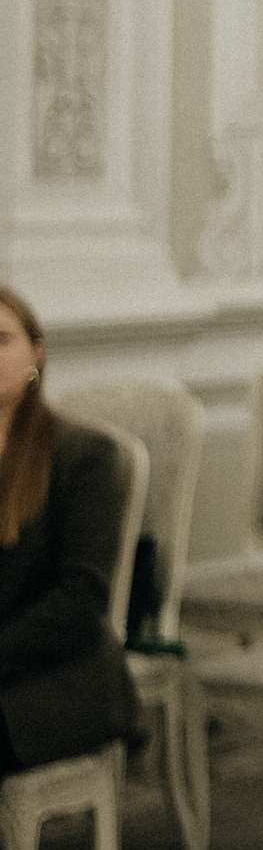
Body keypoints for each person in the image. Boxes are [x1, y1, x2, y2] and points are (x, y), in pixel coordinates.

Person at [0, 286, 140, 777]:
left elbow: (81, 599)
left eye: (1, 340)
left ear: (36, 352)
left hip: (58, 680)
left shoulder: (84, 455)